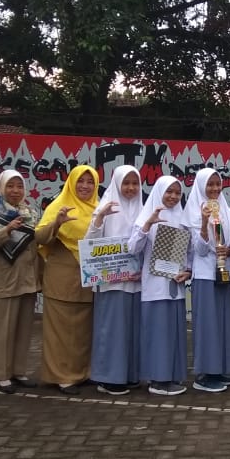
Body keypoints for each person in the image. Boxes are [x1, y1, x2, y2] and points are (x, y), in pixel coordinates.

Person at [0, 170, 50, 393]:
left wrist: (55, 223)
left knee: (23, 329)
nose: (15, 191)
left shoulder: (29, 212)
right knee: (3, 330)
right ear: (1, 188)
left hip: (27, 280)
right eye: (10, 186)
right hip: (4, 281)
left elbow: (37, 240)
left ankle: (19, 371)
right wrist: (6, 231)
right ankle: (2, 374)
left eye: (19, 186)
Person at [36, 165, 99, 395]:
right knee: (61, 331)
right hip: (63, 278)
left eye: (89, 181)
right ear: (71, 182)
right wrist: (58, 223)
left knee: (82, 331)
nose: (85, 186)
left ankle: (82, 372)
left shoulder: (98, 208)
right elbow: (39, 236)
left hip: (89, 279)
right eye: (80, 181)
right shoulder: (58, 206)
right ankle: (61, 376)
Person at [129, 175, 193, 396]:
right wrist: (148, 224)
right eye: (169, 192)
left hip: (175, 287)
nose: (173, 197)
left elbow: (190, 253)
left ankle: (171, 376)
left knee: (174, 334)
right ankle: (158, 380)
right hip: (155, 288)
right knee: (158, 334)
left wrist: (188, 271)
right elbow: (132, 248)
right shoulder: (146, 216)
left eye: (177, 193)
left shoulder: (183, 219)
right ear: (159, 192)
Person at [86, 165, 143, 395]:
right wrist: (100, 217)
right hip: (112, 282)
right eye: (126, 183)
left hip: (136, 281)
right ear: (117, 184)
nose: (130, 188)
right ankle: (108, 377)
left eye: (135, 183)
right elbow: (90, 240)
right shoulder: (105, 206)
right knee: (111, 329)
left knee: (132, 329)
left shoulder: (142, 208)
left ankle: (129, 374)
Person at [186, 169, 230, 392]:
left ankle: (221, 369)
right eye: (210, 185)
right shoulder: (192, 212)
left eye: (218, 184)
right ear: (200, 186)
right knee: (208, 326)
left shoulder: (225, 209)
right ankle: (205, 375)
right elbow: (198, 249)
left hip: (224, 274)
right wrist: (204, 224)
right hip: (206, 276)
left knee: (225, 323)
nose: (215, 189)